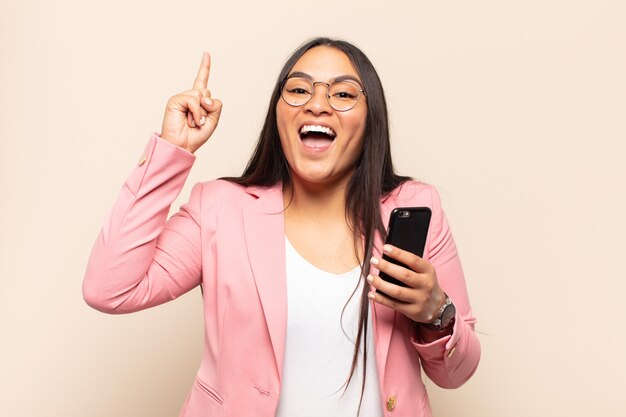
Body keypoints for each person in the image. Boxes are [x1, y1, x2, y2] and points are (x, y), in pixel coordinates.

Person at [83, 37, 481, 417]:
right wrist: (172, 150)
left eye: (342, 94)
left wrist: (437, 314)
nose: (318, 105)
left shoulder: (414, 207)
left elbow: (456, 373)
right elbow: (109, 289)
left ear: (371, 119)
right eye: (298, 90)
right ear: (278, 114)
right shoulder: (221, 208)